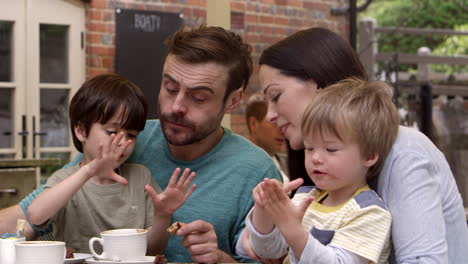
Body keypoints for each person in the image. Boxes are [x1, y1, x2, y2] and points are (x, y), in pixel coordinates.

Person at [2, 26, 282, 263]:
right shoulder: (126, 138)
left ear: (233, 100)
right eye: (170, 88)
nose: (176, 106)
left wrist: (219, 258)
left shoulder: (255, 172)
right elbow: (26, 217)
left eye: (198, 97)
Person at [239, 27, 468, 263]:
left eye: (275, 96)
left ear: (319, 85)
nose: (270, 115)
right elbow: (253, 247)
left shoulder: (404, 151)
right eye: (311, 149)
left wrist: (293, 235)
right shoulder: (317, 189)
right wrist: (264, 218)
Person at [26, 74, 196, 255]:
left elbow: (153, 249)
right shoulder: (66, 179)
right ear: (81, 130)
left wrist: (163, 216)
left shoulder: (140, 177)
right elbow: (36, 215)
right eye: (112, 132)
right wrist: (90, 170)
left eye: (131, 135)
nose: (123, 142)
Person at [247, 78, 399, 264]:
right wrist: (264, 210)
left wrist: (292, 229)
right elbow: (267, 251)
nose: (316, 158)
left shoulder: (370, 212)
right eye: (309, 148)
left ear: (368, 156)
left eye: (331, 149)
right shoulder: (304, 197)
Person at [245, 93, 288, 184]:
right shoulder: (242, 166)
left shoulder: (286, 163)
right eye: (274, 122)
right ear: (253, 124)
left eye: (283, 123)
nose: (282, 130)